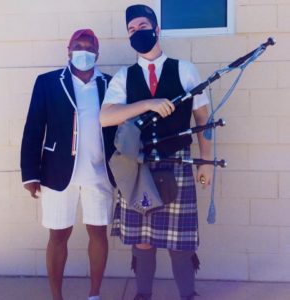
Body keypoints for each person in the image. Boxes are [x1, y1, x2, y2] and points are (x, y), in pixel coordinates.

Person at [100, 4, 213, 300]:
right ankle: (143, 294)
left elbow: (203, 120)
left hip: (177, 164)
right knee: (143, 241)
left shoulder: (185, 69)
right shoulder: (124, 77)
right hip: (137, 168)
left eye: (142, 26)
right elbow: (105, 116)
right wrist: (148, 104)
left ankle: (188, 295)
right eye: (131, 30)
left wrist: (207, 162)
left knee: (180, 243)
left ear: (157, 29)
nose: (138, 33)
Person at [20, 29, 117, 300]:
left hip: (99, 174)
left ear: (97, 53)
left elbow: (121, 129)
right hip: (56, 173)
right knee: (58, 235)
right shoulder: (48, 82)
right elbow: (33, 128)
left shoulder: (110, 84)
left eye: (89, 46)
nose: (83, 50)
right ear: (69, 49)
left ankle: (94, 294)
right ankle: (57, 297)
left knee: (98, 234)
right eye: (78, 45)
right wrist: (30, 173)